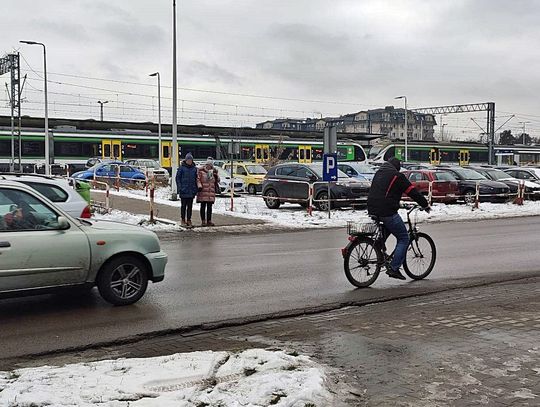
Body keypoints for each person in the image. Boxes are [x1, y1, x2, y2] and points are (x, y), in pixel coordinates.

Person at [367, 157, 430, 280]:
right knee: (403, 238)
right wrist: (425, 204)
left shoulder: (379, 173)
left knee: (389, 227)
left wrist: (398, 203)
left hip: (372, 208)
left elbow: (384, 193)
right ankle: (394, 268)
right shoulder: (397, 176)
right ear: (397, 167)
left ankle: (379, 248)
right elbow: (412, 192)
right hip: (386, 210)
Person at [175, 153, 198, 228]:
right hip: (184, 190)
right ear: (186, 160)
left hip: (191, 191)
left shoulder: (194, 169)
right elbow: (177, 178)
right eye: (188, 160)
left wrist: (195, 189)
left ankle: (189, 219)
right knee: (183, 206)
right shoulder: (181, 168)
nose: (190, 161)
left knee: (190, 206)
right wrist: (180, 188)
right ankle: (183, 219)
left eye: (191, 160)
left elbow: (196, 179)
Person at [197, 157, 220, 226]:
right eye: (208, 164)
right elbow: (198, 179)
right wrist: (199, 186)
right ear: (206, 164)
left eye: (210, 165)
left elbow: (218, 181)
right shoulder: (201, 171)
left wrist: (216, 176)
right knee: (203, 206)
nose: (209, 166)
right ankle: (203, 221)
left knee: (209, 207)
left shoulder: (214, 171)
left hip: (210, 192)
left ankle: (209, 220)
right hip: (203, 191)